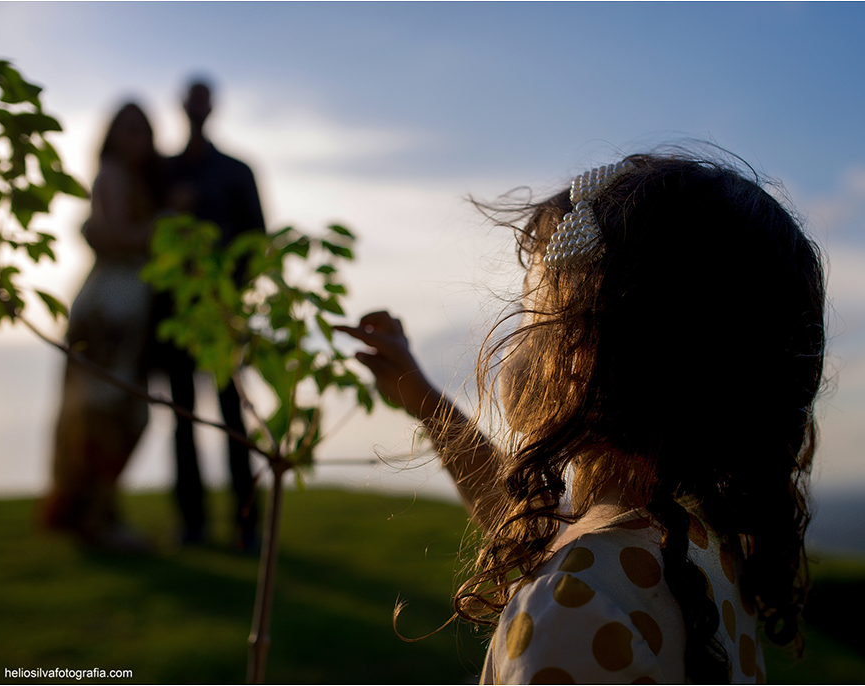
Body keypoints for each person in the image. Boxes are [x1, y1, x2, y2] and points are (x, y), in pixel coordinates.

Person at [339, 152, 826, 684]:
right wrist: (424, 399)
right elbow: (535, 526)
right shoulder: (695, 543)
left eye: (531, 309)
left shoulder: (571, 606)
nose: (515, 333)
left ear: (583, 352)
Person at [43, 103, 164, 551]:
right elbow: (114, 236)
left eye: (143, 130)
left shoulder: (134, 179)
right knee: (102, 413)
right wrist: (166, 225)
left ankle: (95, 511)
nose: (137, 138)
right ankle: (95, 516)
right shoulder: (111, 174)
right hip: (108, 310)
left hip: (127, 309)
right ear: (112, 136)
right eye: (128, 129)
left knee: (121, 412)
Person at [152, 80, 266, 549]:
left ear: (211, 107)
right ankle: (192, 523)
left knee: (232, 418)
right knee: (182, 418)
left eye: (203, 99)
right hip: (174, 313)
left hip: (222, 314)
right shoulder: (163, 171)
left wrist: (228, 295)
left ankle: (246, 525)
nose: (197, 107)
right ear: (183, 106)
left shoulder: (237, 171)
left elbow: (257, 242)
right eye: (191, 99)